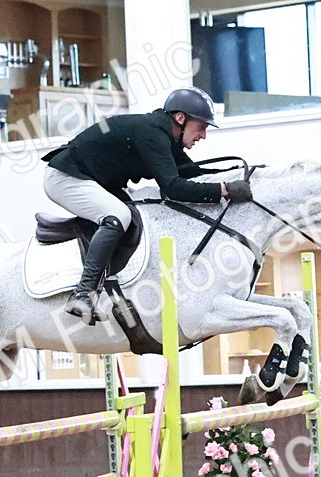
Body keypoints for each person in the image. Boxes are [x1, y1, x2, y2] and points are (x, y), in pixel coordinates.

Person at [42, 86, 253, 324]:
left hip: (95, 180)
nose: (203, 135)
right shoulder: (153, 134)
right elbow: (173, 188)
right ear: (181, 118)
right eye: (201, 127)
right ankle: (83, 294)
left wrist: (228, 176)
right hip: (65, 177)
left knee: (139, 212)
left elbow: (192, 174)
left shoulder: (167, 136)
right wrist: (223, 190)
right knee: (118, 216)